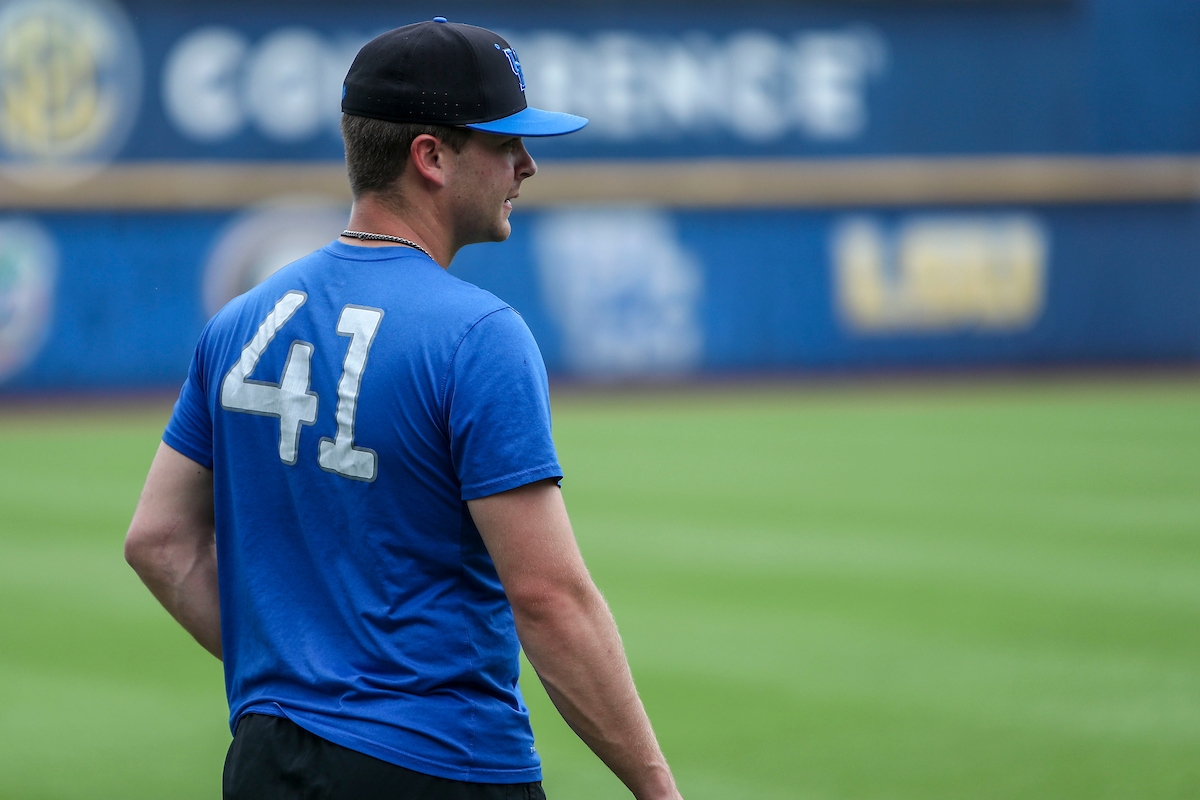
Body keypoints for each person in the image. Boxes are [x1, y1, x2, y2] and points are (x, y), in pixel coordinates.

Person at [124, 18, 684, 800]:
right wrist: (660, 790)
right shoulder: (478, 335)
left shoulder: (241, 321)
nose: (526, 165)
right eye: (503, 142)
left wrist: (298, 682)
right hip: (438, 764)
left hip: (267, 763)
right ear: (430, 156)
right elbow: (548, 599)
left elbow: (157, 540)